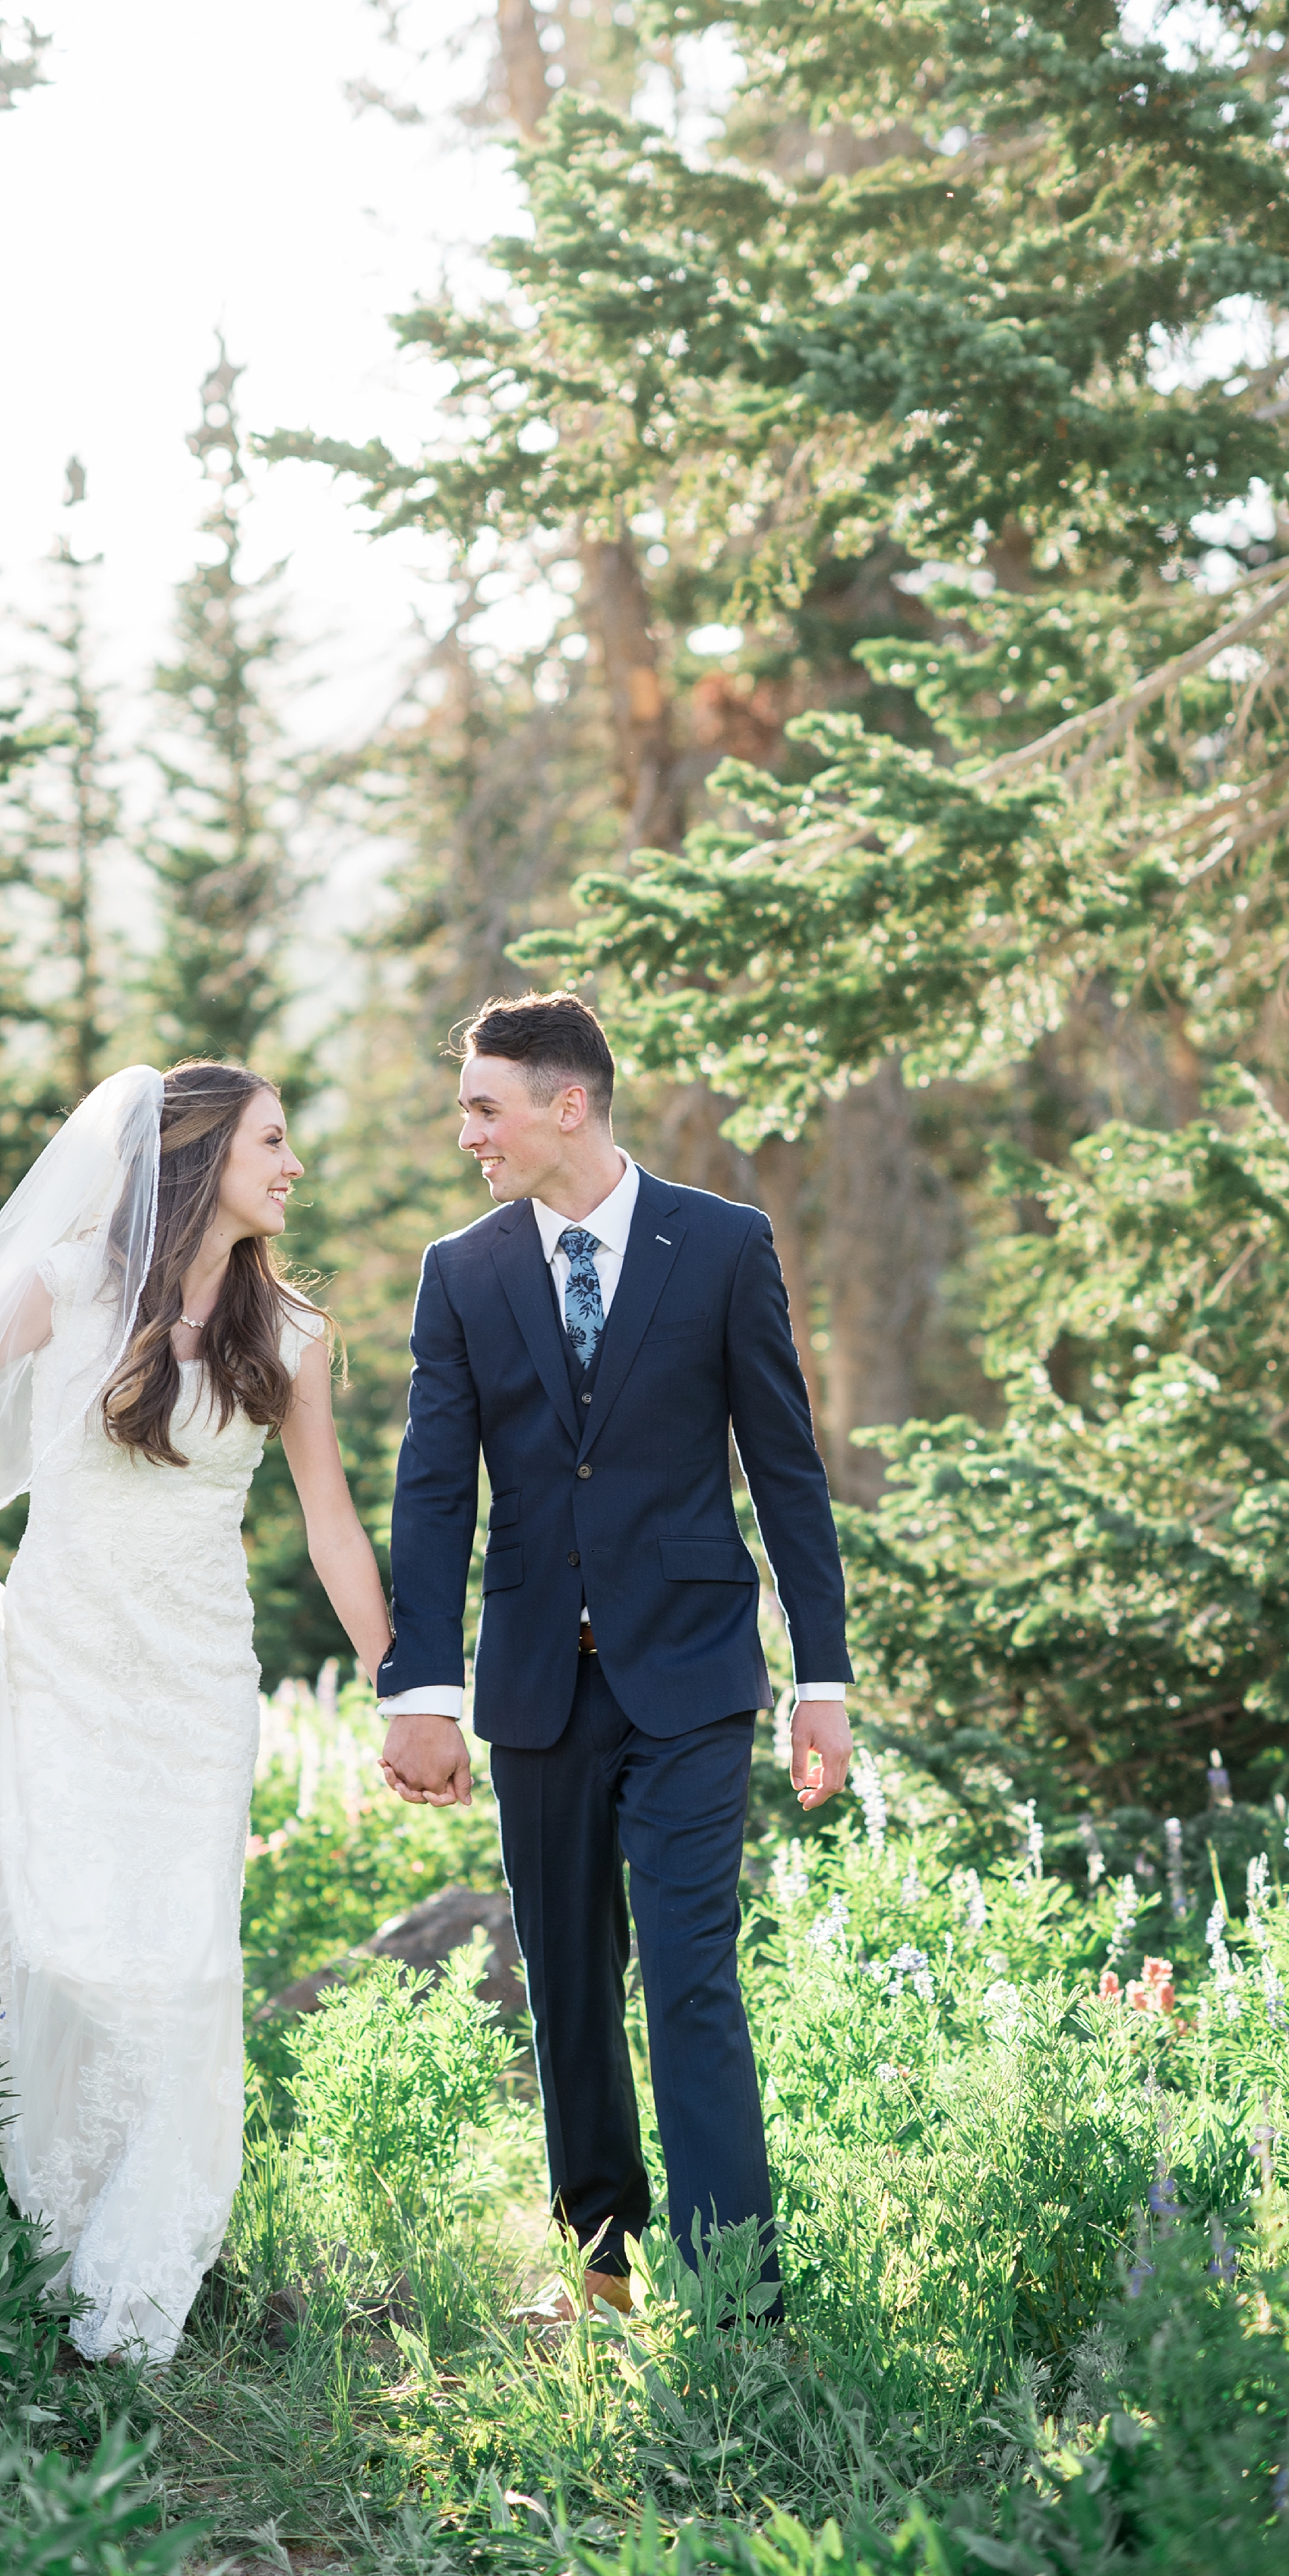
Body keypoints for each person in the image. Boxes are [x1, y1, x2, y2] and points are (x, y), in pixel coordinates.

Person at [0, 1062, 390, 2362]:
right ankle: (45, 2217)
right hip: (61, 1665)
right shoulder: (69, 1285)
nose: (293, 1167)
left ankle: (142, 2256)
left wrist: (397, 1680)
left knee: (180, 1960)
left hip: (197, 1686)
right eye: (272, 1142)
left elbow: (332, 1526)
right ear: (196, 1155)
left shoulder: (288, 1334)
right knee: (57, 1939)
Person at [377, 992, 851, 2319]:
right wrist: (421, 1687)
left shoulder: (722, 1245)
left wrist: (824, 1680)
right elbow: (432, 1492)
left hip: (695, 1673)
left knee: (691, 1967)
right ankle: (603, 2254)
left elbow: (788, 1472)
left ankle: (733, 2293)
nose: (467, 1130)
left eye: (484, 1105)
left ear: (564, 1103)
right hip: (536, 1678)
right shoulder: (461, 1272)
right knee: (569, 1978)